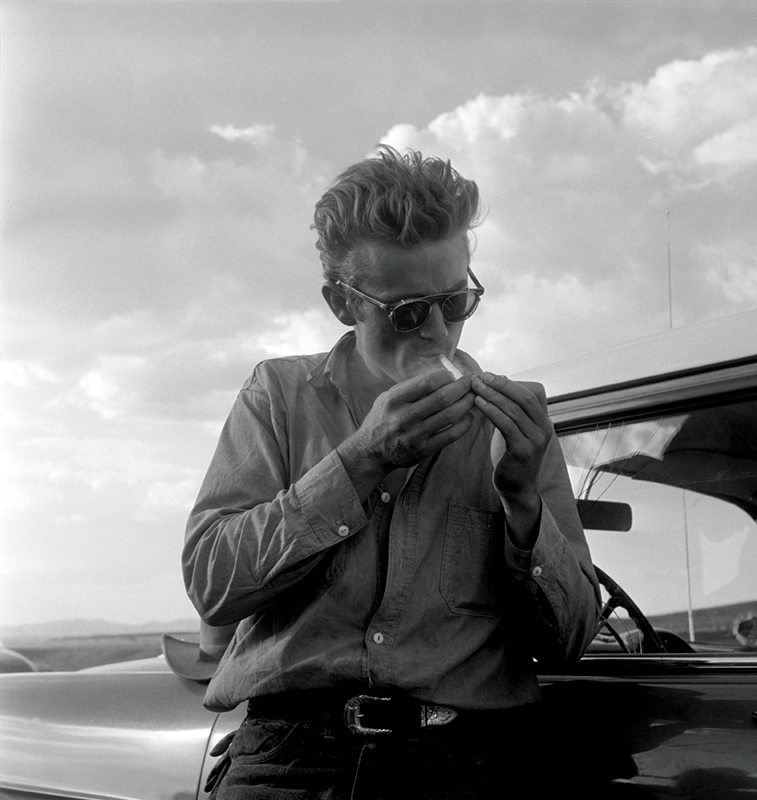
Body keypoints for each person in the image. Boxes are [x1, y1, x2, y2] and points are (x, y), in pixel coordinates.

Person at [183, 146, 602, 798]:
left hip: (464, 761)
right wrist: (360, 458)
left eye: (456, 301)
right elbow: (212, 584)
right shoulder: (279, 394)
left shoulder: (513, 423)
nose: (437, 333)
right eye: (407, 312)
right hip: (291, 757)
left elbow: (572, 638)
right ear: (342, 304)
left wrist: (523, 502)